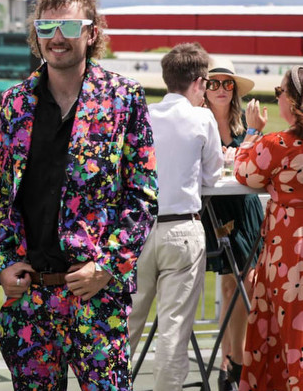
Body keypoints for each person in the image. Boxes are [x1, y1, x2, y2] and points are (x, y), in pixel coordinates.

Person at [0, 0, 158, 389]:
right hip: (31, 297)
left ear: (92, 32)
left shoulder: (124, 97)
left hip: (95, 293)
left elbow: (143, 194)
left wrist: (109, 266)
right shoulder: (16, 101)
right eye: (46, 28)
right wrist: (4, 261)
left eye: (68, 26)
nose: (57, 38)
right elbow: (3, 194)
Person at [129, 42, 224, 391]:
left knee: (126, 324)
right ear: (199, 82)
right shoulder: (202, 118)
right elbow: (213, 177)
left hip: (138, 230)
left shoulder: (144, 114)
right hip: (182, 228)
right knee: (174, 327)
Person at [235, 66, 303, 390]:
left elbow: (244, 171)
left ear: (292, 101)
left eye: (280, 92)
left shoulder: (279, 144)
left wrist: (252, 131)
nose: (278, 98)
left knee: (286, 336)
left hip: (289, 251)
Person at [200, 56, 264, 390]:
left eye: (228, 83)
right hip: (213, 210)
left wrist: (254, 134)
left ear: (234, 90)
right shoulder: (198, 124)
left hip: (245, 209)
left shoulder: (246, 128)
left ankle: (235, 362)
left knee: (247, 283)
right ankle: (230, 362)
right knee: (230, 285)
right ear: (204, 88)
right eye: (214, 83)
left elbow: (252, 167)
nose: (222, 89)